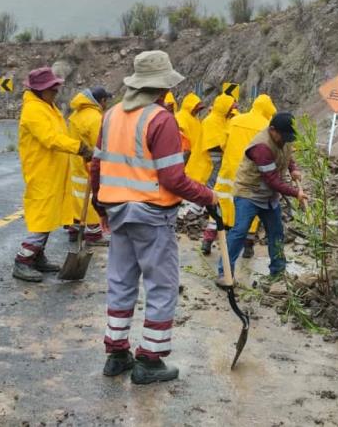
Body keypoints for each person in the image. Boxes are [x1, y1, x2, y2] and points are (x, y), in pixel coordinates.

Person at [89, 51, 218, 385]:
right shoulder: (161, 120)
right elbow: (173, 179)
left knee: (120, 281)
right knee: (161, 286)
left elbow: (97, 166)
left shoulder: (112, 115)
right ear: (161, 87)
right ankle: (150, 360)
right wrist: (208, 196)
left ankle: (117, 354)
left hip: (117, 212)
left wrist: (100, 207)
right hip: (151, 214)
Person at [13, 67, 93, 282]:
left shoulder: (46, 106)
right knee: (42, 215)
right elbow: (50, 138)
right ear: (41, 90)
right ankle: (23, 259)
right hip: (42, 172)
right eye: (52, 88)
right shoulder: (33, 111)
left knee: (50, 215)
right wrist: (80, 148)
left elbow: (59, 134)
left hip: (53, 171)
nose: (56, 91)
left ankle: (38, 257)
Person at [217, 112, 306, 284]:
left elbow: (287, 155)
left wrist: (293, 168)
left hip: (269, 196)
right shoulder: (261, 147)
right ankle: (224, 273)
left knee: (276, 233)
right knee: (239, 232)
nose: (286, 140)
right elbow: (272, 180)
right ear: (272, 130)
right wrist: (296, 193)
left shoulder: (283, 139)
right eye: (283, 136)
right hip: (249, 193)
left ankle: (278, 272)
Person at [214, 94, 277, 259]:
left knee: (223, 202)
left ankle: (214, 239)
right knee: (251, 207)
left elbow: (223, 144)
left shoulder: (235, 120)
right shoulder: (267, 126)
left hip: (229, 170)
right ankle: (248, 246)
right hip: (251, 172)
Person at [185, 94, 236, 255]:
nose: (232, 111)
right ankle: (209, 238)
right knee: (217, 202)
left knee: (219, 203)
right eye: (231, 107)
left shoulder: (221, 120)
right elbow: (214, 147)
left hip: (220, 169)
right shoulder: (211, 121)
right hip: (211, 168)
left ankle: (211, 238)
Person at [66, 86, 112, 246]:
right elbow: (99, 144)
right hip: (88, 163)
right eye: (107, 101)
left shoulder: (77, 114)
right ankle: (93, 234)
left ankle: (74, 228)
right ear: (102, 101)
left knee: (76, 196)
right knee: (92, 196)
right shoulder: (95, 118)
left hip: (75, 161)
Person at [174, 92, 204, 163]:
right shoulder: (181, 116)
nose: (198, 110)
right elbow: (179, 132)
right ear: (190, 106)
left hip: (194, 155)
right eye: (196, 108)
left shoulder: (195, 119)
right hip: (184, 154)